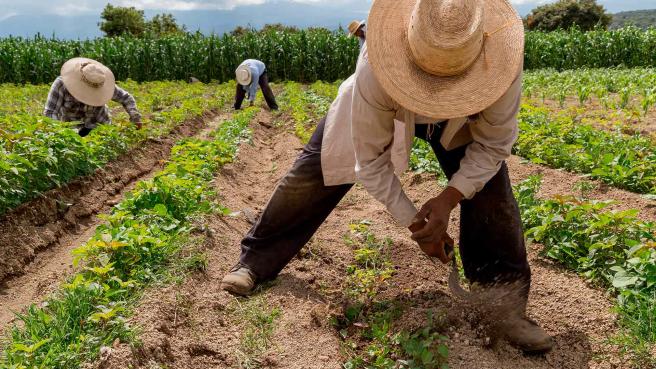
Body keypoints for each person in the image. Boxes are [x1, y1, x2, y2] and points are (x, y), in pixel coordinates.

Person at [221, 0, 553, 354]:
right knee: (316, 172)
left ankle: (503, 309)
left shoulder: (501, 61)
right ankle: (255, 262)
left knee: (491, 195)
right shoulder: (376, 68)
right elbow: (370, 160)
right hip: (388, 104)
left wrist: (448, 198)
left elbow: (494, 144)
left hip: (464, 121)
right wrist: (416, 225)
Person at [44, 58, 142, 137]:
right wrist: (60, 134)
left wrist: (135, 118)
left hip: (100, 128)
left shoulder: (101, 83)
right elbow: (50, 113)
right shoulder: (62, 84)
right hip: (71, 131)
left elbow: (126, 98)